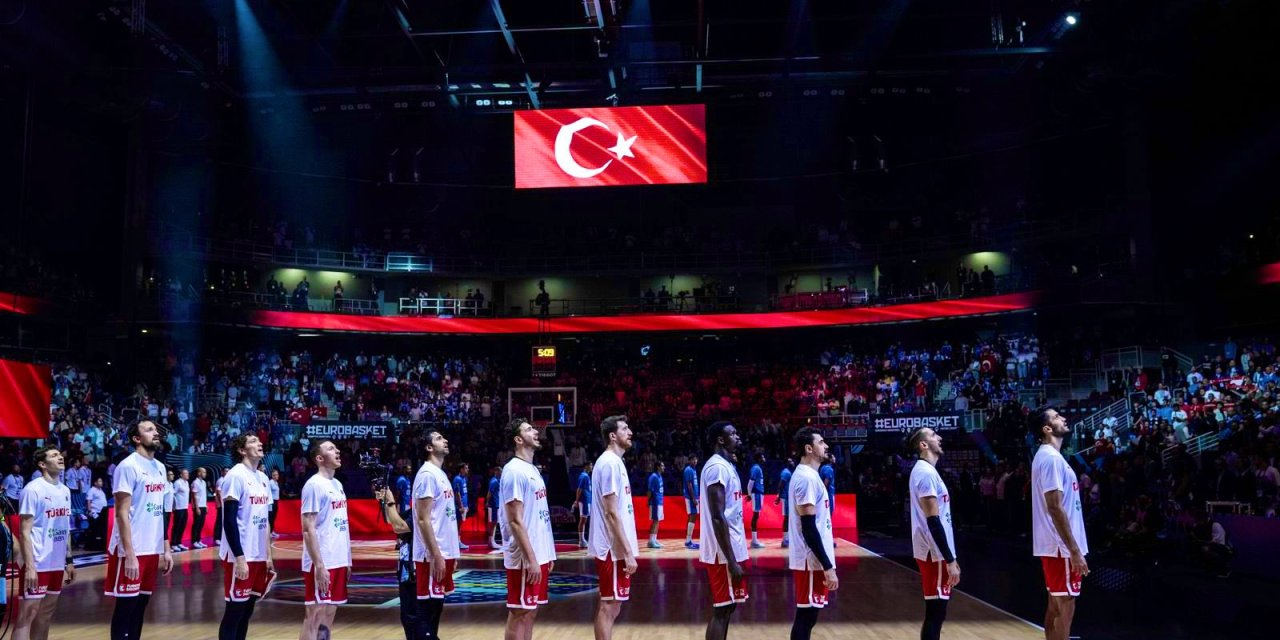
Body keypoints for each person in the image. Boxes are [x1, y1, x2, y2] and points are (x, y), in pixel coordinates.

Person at [106, 420, 174, 640]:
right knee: (126, 607)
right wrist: (130, 554)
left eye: (156, 430)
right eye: (149, 430)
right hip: (131, 548)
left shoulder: (160, 467)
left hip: (152, 548)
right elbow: (121, 514)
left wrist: (166, 547)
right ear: (136, 438)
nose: (156, 433)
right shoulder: (128, 466)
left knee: (141, 606)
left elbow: (162, 511)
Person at [1031, 409, 1090, 640]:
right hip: (1061, 546)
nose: (1063, 418)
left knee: (1056, 604)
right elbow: (1054, 507)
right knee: (1066, 604)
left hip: (1056, 545)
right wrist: (1074, 550)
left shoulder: (1048, 456)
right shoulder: (1051, 459)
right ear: (1047, 429)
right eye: (1056, 417)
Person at [500, 419, 556, 640]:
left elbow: (540, 515)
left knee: (531, 611)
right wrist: (531, 558)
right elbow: (515, 520)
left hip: (538, 553)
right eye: (529, 429)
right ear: (518, 439)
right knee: (519, 612)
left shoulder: (531, 468)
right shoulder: (513, 470)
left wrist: (547, 553)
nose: (535, 431)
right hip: (524, 557)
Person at [219, 434, 276, 640]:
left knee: (247, 611)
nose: (260, 443)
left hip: (258, 554)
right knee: (234, 611)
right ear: (242, 451)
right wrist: (239, 558)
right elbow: (229, 521)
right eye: (253, 441)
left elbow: (265, 521)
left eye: (260, 441)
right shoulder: (236, 475)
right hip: (240, 555)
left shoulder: (262, 478)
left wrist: (268, 555)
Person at [15, 446, 74, 640]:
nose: (60, 457)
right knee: (27, 615)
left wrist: (69, 560)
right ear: (42, 464)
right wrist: (30, 567)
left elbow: (65, 528)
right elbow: (24, 531)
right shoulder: (32, 489)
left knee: (46, 614)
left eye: (60, 454)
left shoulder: (66, 491)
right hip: (37, 561)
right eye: (54, 455)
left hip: (56, 562)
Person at [907, 428, 960, 640]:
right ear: (923, 445)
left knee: (935, 612)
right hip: (934, 552)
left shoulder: (926, 471)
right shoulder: (925, 473)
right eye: (932, 435)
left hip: (933, 550)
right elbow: (933, 521)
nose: (939, 437)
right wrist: (949, 559)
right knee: (936, 613)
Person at [590, 416, 639, 640]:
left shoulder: (615, 462)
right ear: (612, 436)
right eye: (624, 428)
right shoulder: (609, 463)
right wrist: (627, 552)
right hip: (612, 548)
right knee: (609, 606)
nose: (630, 432)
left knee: (613, 605)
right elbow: (611, 512)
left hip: (614, 548)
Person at [700, 421, 749, 640]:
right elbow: (717, 516)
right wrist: (731, 560)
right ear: (721, 440)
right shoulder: (717, 467)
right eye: (733, 433)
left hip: (731, 549)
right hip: (722, 554)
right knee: (721, 609)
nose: (737, 437)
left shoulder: (726, 465)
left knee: (728, 608)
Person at [788, 429, 839, 640]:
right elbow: (808, 528)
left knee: (809, 616)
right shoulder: (806, 478)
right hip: (811, 561)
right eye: (821, 442)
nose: (826, 446)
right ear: (809, 448)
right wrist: (827, 566)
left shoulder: (811, 476)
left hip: (813, 560)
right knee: (806, 616)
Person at [300, 440, 351, 640]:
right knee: (315, 614)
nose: (337, 450)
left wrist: (347, 560)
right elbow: (307, 529)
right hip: (321, 561)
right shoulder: (313, 485)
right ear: (319, 458)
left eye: (336, 448)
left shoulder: (337, 484)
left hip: (337, 558)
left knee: (329, 613)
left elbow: (342, 524)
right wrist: (319, 565)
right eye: (331, 449)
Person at [413, 430, 461, 640]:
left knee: (437, 605)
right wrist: (436, 554)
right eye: (439, 438)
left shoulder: (440, 474)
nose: (446, 440)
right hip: (432, 554)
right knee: (427, 605)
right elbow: (423, 519)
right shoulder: (427, 475)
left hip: (444, 550)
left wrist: (452, 552)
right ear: (429, 447)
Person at [376, 487, 431, 640]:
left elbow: (399, 527)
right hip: (406, 569)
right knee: (407, 616)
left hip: (416, 568)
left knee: (416, 616)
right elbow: (392, 520)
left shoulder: (423, 514)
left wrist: (391, 501)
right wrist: (384, 502)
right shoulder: (414, 511)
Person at [747, 453, 766, 549]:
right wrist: (749, 494)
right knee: (755, 516)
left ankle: (754, 540)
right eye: (762, 456)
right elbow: (751, 482)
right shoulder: (756, 468)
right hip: (757, 494)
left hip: (758, 494)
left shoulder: (758, 468)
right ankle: (754, 541)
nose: (764, 458)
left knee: (756, 515)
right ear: (759, 458)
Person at [682, 455, 700, 549]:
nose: (695, 461)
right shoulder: (688, 470)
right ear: (689, 461)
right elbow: (689, 485)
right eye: (693, 459)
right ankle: (688, 541)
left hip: (694, 496)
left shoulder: (693, 470)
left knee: (692, 516)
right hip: (690, 497)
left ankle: (689, 540)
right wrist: (693, 498)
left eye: (696, 459)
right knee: (692, 516)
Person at [776, 459, 795, 548]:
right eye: (790, 461)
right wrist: (778, 497)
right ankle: (785, 540)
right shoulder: (786, 473)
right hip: (785, 498)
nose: (793, 462)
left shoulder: (789, 472)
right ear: (787, 463)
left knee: (789, 518)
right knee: (786, 518)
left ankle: (788, 538)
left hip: (788, 498)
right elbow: (781, 484)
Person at [451, 463, 471, 551]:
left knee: (460, 524)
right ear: (461, 469)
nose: (468, 470)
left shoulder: (464, 479)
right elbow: (457, 494)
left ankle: (458, 541)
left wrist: (466, 505)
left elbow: (464, 493)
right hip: (458, 506)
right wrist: (461, 506)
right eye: (466, 468)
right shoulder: (457, 479)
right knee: (457, 524)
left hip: (464, 505)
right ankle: (456, 542)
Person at [646, 461, 666, 549]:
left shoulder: (660, 476)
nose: (664, 467)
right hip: (655, 502)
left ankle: (654, 539)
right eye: (662, 466)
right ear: (658, 467)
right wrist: (648, 501)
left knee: (658, 521)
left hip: (660, 501)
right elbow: (649, 490)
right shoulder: (653, 477)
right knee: (655, 521)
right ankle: (650, 541)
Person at [86, 476, 109, 551]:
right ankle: (92, 545)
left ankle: (101, 544)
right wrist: (89, 511)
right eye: (99, 481)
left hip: (103, 512)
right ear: (95, 483)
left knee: (102, 529)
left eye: (101, 481)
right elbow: (88, 501)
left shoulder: (101, 491)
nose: (101, 483)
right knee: (95, 529)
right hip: (95, 512)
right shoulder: (91, 490)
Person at [574, 461, 593, 548]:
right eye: (591, 465)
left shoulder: (587, 476)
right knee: (583, 520)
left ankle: (583, 540)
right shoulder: (584, 476)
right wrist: (577, 501)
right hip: (584, 500)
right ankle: (581, 540)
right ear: (586, 466)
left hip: (587, 500)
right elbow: (579, 489)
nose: (592, 467)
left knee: (584, 520)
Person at [171, 469, 190, 552]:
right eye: (185, 473)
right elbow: (172, 494)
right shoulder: (177, 482)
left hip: (185, 507)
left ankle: (179, 542)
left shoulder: (187, 483)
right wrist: (173, 506)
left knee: (182, 525)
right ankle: (173, 544)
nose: (187, 475)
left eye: (187, 473)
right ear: (181, 475)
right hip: (178, 508)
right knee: (177, 526)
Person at [191, 467, 209, 549]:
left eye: (205, 472)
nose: (205, 474)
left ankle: (199, 540)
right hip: (197, 506)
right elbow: (194, 496)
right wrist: (196, 507)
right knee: (196, 524)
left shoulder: (204, 482)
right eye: (203, 472)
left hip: (203, 506)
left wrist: (206, 505)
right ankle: (194, 541)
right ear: (199, 473)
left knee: (201, 524)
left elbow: (204, 495)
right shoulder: (195, 482)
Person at [487, 466, 502, 549]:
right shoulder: (494, 481)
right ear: (496, 472)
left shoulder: (499, 480)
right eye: (499, 472)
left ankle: (492, 541)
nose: (501, 473)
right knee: (493, 523)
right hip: (493, 505)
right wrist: (487, 502)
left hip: (497, 505)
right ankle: (491, 542)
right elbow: (489, 493)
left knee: (495, 523)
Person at [269, 469, 282, 538]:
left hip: (276, 501)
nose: (277, 476)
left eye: (277, 474)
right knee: (270, 517)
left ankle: (272, 531)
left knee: (274, 517)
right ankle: (269, 532)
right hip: (271, 502)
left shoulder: (276, 483)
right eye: (275, 475)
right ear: (272, 475)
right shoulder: (270, 482)